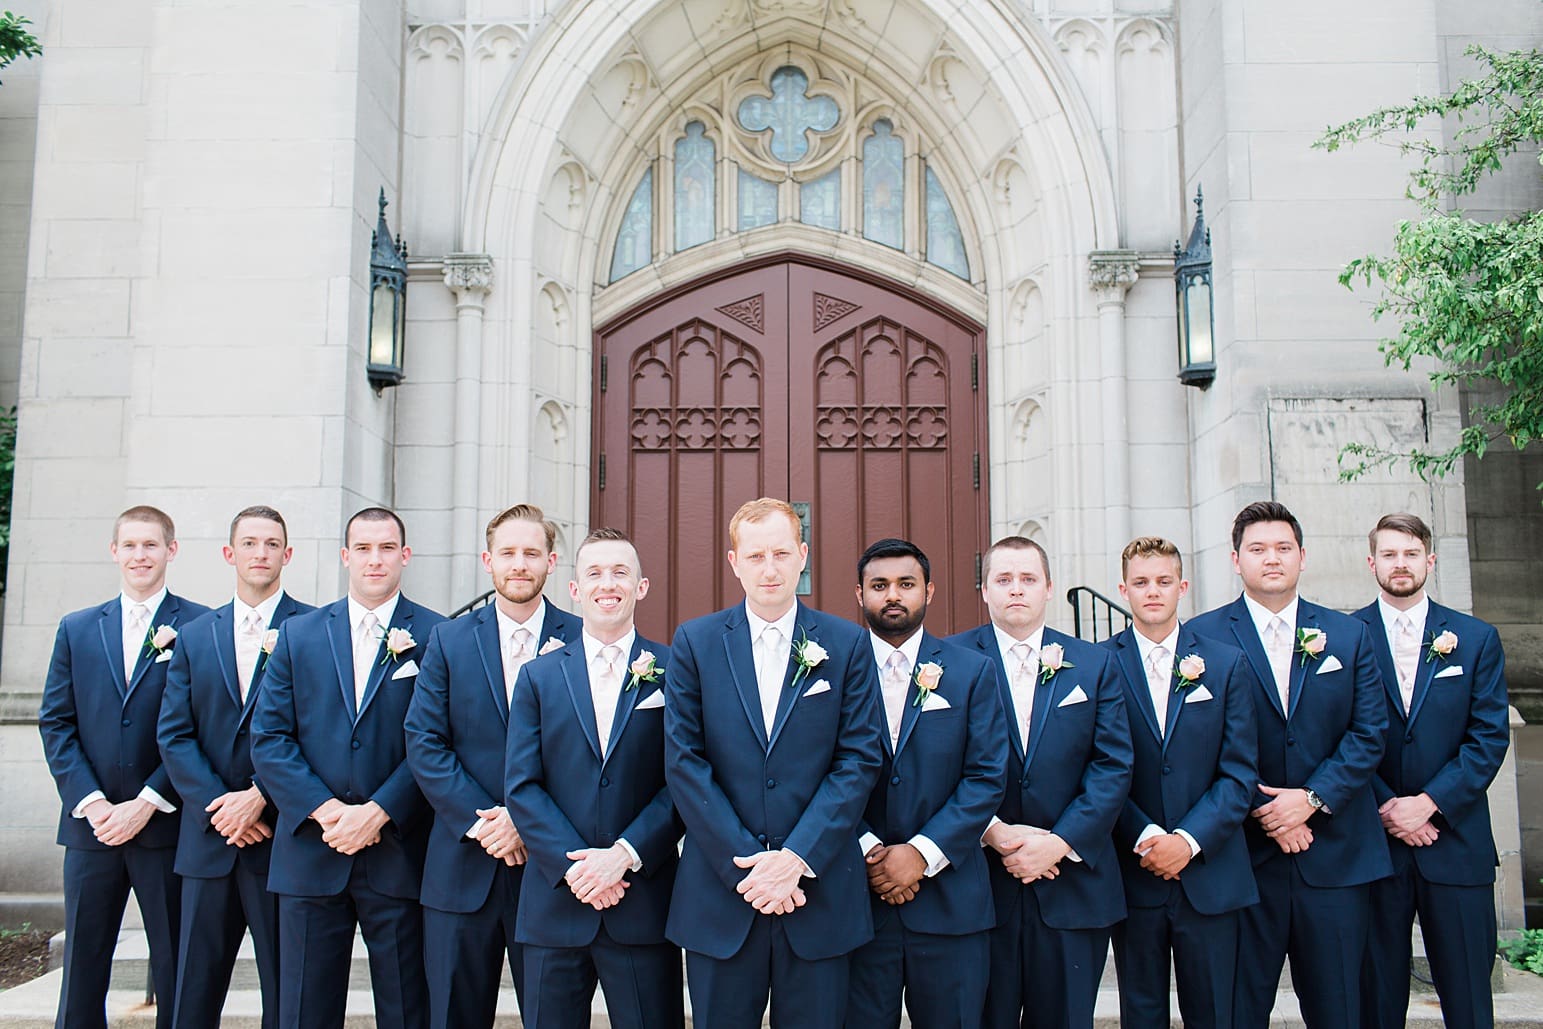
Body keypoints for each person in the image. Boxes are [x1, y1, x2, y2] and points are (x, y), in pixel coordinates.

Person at [663, 497, 884, 1029]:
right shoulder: (695, 642)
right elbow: (685, 762)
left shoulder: (847, 643)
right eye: (755, 554)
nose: (769, 568)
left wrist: (795, 860)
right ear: (734, 561)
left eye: (781, 553)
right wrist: (749, 867)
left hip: (819, 889)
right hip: (722, 892)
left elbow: (857, 759)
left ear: (802, 556)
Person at [1188, 501, 1390, 1029]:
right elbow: (1195, 745)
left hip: (1338, 854)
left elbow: (1369, 734)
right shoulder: (1200, 639)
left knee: (1341, 1008)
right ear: (1236, 560)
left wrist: (1311, 800)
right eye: (1257, 549)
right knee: (1236, 1011)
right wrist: (1267, 808)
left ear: (1302, 556)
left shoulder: (1349, 635)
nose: (1271, 559)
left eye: (1282, 548)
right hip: (1243, 860)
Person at [250, 507, 445, 1029]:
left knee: (408, 1010)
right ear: (345, 557)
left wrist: (380, 810)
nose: (374, 560)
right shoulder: (298, 634)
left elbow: (442, 742)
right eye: (363, 549)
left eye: (386, 548)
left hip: (402, 854)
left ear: (404, 556)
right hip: (313, 852)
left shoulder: (440, 636)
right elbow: (269, 738)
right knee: (303, 1013)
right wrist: (326, 810)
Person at [404, 504, 582, 1028]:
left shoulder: (581, 639)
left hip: (550, 868)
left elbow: (590, 754)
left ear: (551, 561)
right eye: (508, 553)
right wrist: (489, 822)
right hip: (463, 863)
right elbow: (425, 742)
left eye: (532, 553)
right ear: (488, 560)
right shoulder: (450, 640)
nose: (520, 564)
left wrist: (528, 821)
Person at [949, 536, 1131, 1029]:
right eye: (1003, 580)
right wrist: (992, 831)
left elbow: (1112, 765)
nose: (1016, 590)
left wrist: (1061, 842)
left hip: (1073, 884)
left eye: (1028, 579)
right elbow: (936, 766)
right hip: (980, 885)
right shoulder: (947, 661)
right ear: (984, 589)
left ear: (1049, 588)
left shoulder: (1095, 664)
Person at [40, 505, 211, 1029]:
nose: (140, 555)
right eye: (130, 545)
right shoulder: (77, 628)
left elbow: (204, 728)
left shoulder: (201, 626)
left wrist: (146, 802)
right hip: (91, 830)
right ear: (114, 551)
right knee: (83, 967)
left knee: (175, 966)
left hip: (165, 826)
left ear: (171, 551)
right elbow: (57, 724)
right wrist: (92, 804)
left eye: (151, 545)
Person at [505, 528, 684, 1029]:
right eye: (595, 574)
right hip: (555, 903)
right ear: (575, 590)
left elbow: (684, 780)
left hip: (643, 903)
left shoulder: (674, 671)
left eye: (620, 572)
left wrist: (623, 857)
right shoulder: (537, 677)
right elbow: (521, 785)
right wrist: (579, 868)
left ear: (641, 586)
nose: (609, 584)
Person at [157, 505, 312, 1029]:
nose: (260, 553)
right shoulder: (196, 634)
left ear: (287, 555)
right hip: (208, 839)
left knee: (285, 992)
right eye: (250, 543)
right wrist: (220, 806)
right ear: (230, 553)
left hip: (281, 840)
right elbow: (174, 733)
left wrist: (260, 796)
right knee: (191, 995)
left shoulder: (314, 630)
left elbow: (315, 736)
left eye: (272, 544)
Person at [1354, 513, 1509, 1029]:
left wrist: (1429, 803)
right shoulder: (1341, 637)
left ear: (1430, 560)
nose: (1402, 564)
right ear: (1373, 561)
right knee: (1375, 999)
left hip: (1456, 843)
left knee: (1468, 1001)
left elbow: (1488, 737)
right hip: (1372, 849)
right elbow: (1331, 735)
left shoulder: (1475, 637)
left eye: (1412, 553)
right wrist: (1387, 806)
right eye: (1391, 554)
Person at [844, 538, 1006, 1029]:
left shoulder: (973, 671)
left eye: (906, 584)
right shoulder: (832, 670)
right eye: (879, 585)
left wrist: (920, 854)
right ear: (859, 595)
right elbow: (815, 774)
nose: (893, 595)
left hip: (952, 903)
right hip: (855, 901)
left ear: (929, 591)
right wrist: (871, 850)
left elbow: (986, 777)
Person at [1104, 536, 1258, 1029]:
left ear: (1182, 587)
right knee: (1141, 1011)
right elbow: (1095, 769)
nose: (1153, 592)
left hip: (1210, 872)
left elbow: (1238, 772)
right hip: (1134, 872)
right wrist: (1148, 837)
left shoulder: (1226, 663)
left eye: (1164, 581)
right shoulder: (1096, 664)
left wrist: (1188, 842)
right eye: (1142, 582)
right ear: (1123, 589)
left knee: (1214, 1012)